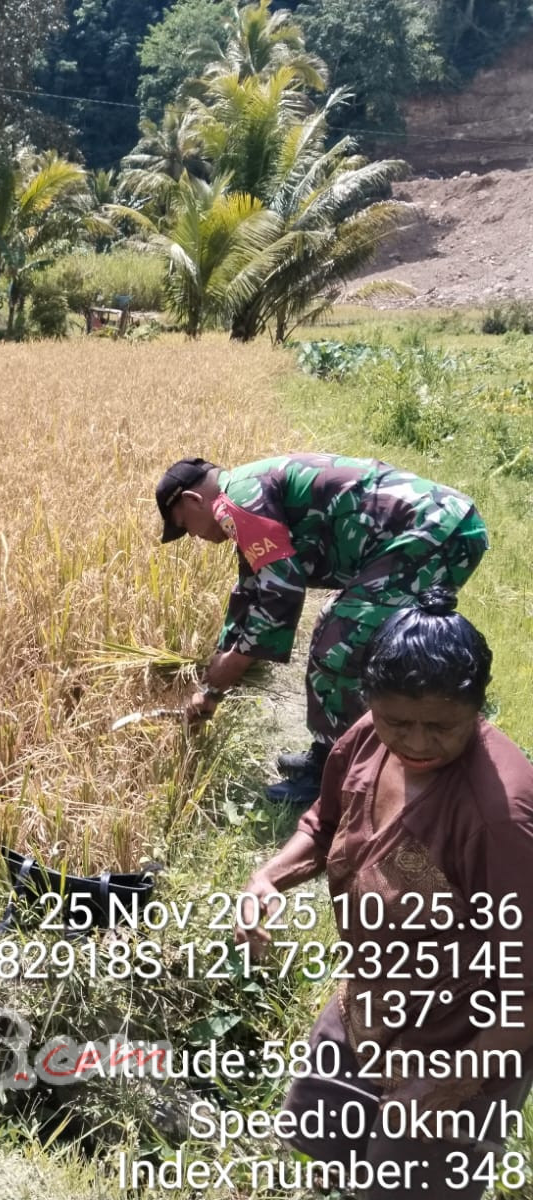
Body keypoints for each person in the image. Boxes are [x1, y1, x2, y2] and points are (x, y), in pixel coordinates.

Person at [235, 590, 533, 1199]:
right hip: (366, 1007)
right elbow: (325, 824)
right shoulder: (369, 738)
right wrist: (267, 878)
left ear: (477, 708)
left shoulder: (500, 816)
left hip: (461, 1039)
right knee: (323, 1153)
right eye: (399, 721)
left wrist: (453, 1083)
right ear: (371, 701)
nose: (417, 742)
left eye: (441, 726)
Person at [155, 453, 488, 803]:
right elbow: (251, 590)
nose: (194, 536)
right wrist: (213, 687)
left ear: (194, 499)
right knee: (337, 626)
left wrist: (234, 663)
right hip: (437, 528)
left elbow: (281, 590)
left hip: (434, 531)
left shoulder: (237, 501)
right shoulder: (244, 495)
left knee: (339, 649)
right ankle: (334, 752)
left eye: (185, 525)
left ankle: (338, 773)